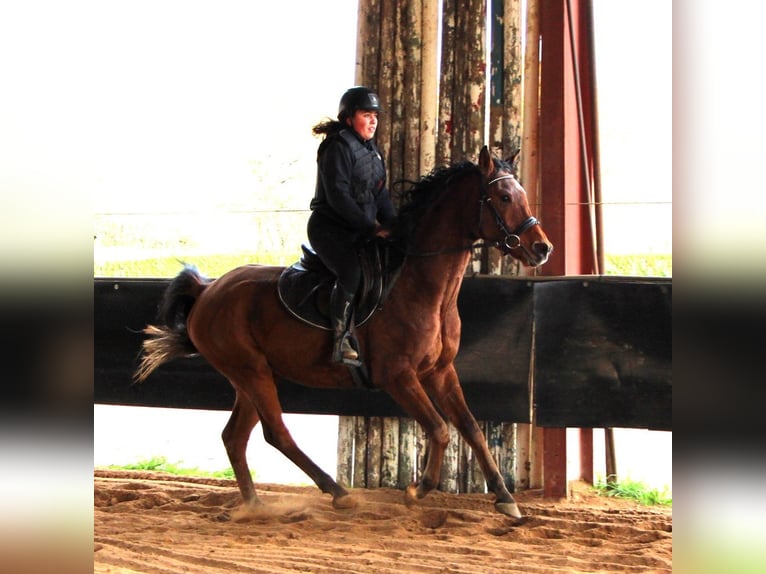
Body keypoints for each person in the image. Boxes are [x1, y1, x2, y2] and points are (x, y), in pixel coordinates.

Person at [307, 86, 396, 366]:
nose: (373, 121)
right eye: (366, 115)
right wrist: (370, 227)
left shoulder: (373, 153)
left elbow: (380, 195)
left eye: (375, 116)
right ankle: (341, 339)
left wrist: (397, 226)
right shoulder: (337, 147)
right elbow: (338, 196)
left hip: (359, 230)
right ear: (348, 119)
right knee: (353, 272)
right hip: (330, 229)